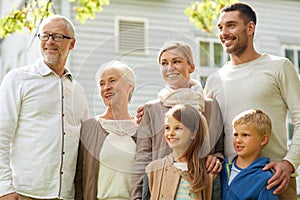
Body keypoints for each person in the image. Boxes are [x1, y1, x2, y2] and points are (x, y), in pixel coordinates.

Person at [204, 2, 300, 199]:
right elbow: (204, 130)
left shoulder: (279, 67)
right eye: (220, 27)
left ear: (250, 28)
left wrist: (289, 163)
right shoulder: (214, 80)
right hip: (229, 184)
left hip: (275, 179)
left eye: (231, 25)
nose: (224, 32)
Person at [0, 15, 89, 199]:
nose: (49, 41)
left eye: (57, 36)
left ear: (71, 44)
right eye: (44, 35)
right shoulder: (17, 79)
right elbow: (1, 135)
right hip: (24, 193)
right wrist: (4, 188)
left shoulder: (78, 91)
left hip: (66, 196)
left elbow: (85, 142)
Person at [131, 41, 224, 200]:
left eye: (176, 61)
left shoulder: (210, 107)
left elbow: (220, 148)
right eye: (164, 63)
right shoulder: (151, 109)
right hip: (160, 189)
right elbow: (142, 158)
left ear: (191, 67)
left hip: (199, 189)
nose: (170, 67)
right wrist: (137, 196)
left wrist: (217, 158)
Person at [74, 60, 138, 199]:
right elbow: (78, 177)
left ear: (129, 87)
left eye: (112, 81)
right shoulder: (89, 127)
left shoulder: (142, 130)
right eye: (102, 84)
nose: (106, 87)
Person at [145, 104, 214, 199]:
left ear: (193, 133)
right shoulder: (152, 170)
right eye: (167, 128)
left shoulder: (208, 171)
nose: (171, 133)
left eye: (178, 128)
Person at [221, 109, 278, 199]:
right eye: (236, 135)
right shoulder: (222, 166)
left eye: (245, 135)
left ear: (263, 140)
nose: (238, 140)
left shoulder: (265, 179)